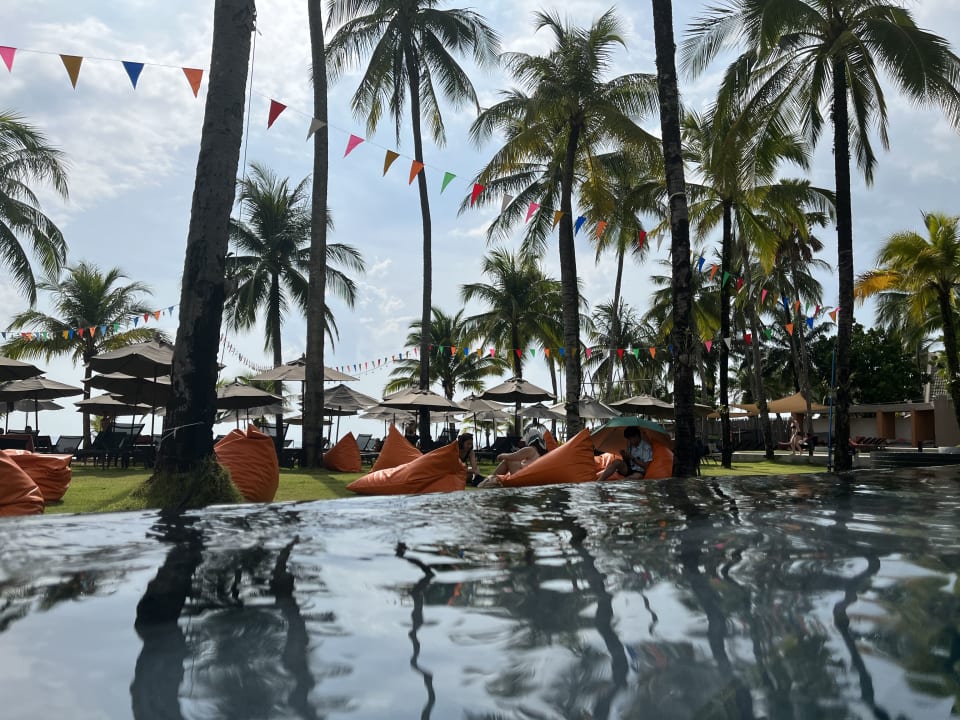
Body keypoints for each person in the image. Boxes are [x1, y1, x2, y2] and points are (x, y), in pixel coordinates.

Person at [477, 426, 548, 488]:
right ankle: (491, 480)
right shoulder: (538, 453)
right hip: (527, 476)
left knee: (509, 460)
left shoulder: (530, 449)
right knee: (509, 460)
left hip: (522, 476)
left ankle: (490, 479)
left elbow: (514, 456)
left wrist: (501, 455)